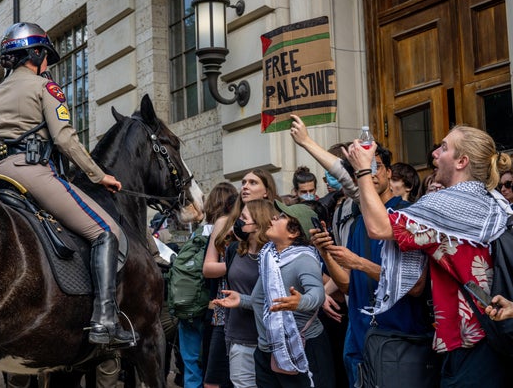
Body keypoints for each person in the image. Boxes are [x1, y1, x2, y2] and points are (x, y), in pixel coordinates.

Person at [0, 22, 133, 346]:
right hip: (29, 171)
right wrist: (98, 175)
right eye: (46, 56)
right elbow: (64, 138)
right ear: (35, 55)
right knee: (105, 232)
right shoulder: (44, 88)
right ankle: (105, 319)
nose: (48, 64)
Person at [346, 125, 512, 386]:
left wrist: (364, 170)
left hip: (475, 341)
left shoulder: (454, 202)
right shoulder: (485, 198)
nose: (435, 153)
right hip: (479, 336)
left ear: (462, 161)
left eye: (444, 147)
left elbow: (378, 227)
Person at [310, 140, 431, 387]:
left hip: (398, 341)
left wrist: (361, 264)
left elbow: (416, 286)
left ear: (389, 172)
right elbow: (346, 287)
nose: (369, 175)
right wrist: (325, 254)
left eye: (375, 167)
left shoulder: (407, 216)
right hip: (359, 341)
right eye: (361, 170)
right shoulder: (357, 224)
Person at [215, 201, 334, 388]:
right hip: (268, 350)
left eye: (281, 218)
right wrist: (241, 300)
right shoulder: (269, 256)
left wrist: (300, 301)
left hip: (302, 348)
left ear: (293, 232)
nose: (273, 219)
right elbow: (261, 300)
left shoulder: (303, 259)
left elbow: (317, 294)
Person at [203, 169, 278, 388]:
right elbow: (207, 268)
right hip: (226, 309)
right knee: (218, 379)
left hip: (263, 319)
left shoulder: (277, 225)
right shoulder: (226, 223)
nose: (245, 186)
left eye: (253, 182)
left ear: (266, 191)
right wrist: (239, 260)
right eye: (243, 182)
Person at [179, 182, 238, 388]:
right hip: (213, 308)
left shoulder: (197, 233)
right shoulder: (227, 230)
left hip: (188, 305)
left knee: (191, 364)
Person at [223, 199, 277, 387]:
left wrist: (243, 301)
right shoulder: (235, 251)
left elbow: (274, 300)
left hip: (267, 341)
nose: (238, 221)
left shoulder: (274, 256)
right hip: (238, 338)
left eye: (244, 218)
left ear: (258, 223)